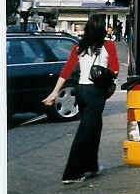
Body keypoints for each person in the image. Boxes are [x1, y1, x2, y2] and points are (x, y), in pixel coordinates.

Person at [42, 14, 119, 183]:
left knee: (95, 127)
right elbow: (115, 71)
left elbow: (66, 71)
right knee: (86, 131)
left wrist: (55, 92)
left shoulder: (79, 47)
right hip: (96, 92)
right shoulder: (109, 46)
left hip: (81, 91)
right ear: (102, 29)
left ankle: (91, 166)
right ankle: (73, 173)